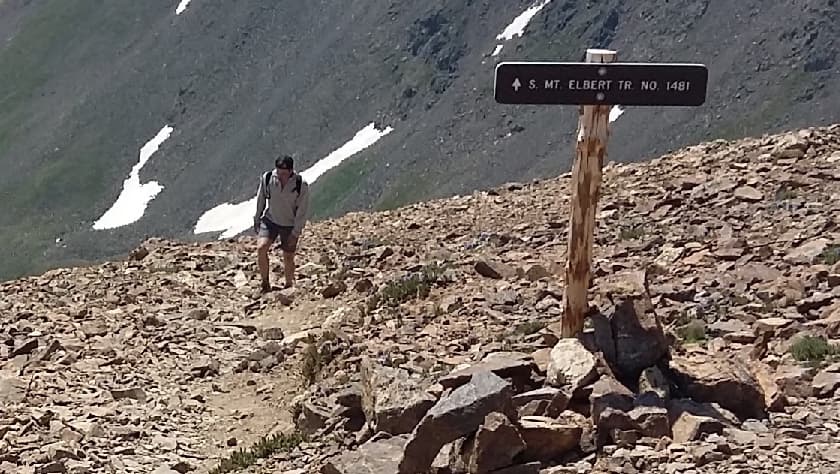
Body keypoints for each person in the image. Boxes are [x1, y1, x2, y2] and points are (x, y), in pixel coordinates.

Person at [254, 155, 310, 293]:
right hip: (271, 220)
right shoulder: (268, 179)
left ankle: (289, 285)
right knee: (261, 248)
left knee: (288, 256)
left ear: (291, 171)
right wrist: (257, 217)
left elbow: (302, 211)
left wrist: (296, 232)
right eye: (279, 173)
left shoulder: (300, 185)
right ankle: (265, 283)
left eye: (284, 174)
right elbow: (261, 198)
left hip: (289, 224)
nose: (281, 176)